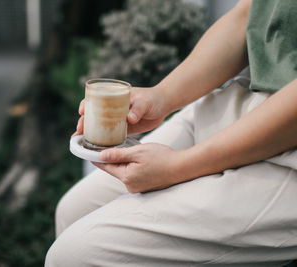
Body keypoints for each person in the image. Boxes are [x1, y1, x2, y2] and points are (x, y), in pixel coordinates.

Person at [46, 0, 297, 266]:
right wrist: (162, 96)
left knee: (75, 256)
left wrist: (179, 167)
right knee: (73, 211)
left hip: (287, 151)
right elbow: (248, 14)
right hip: (238, 102)